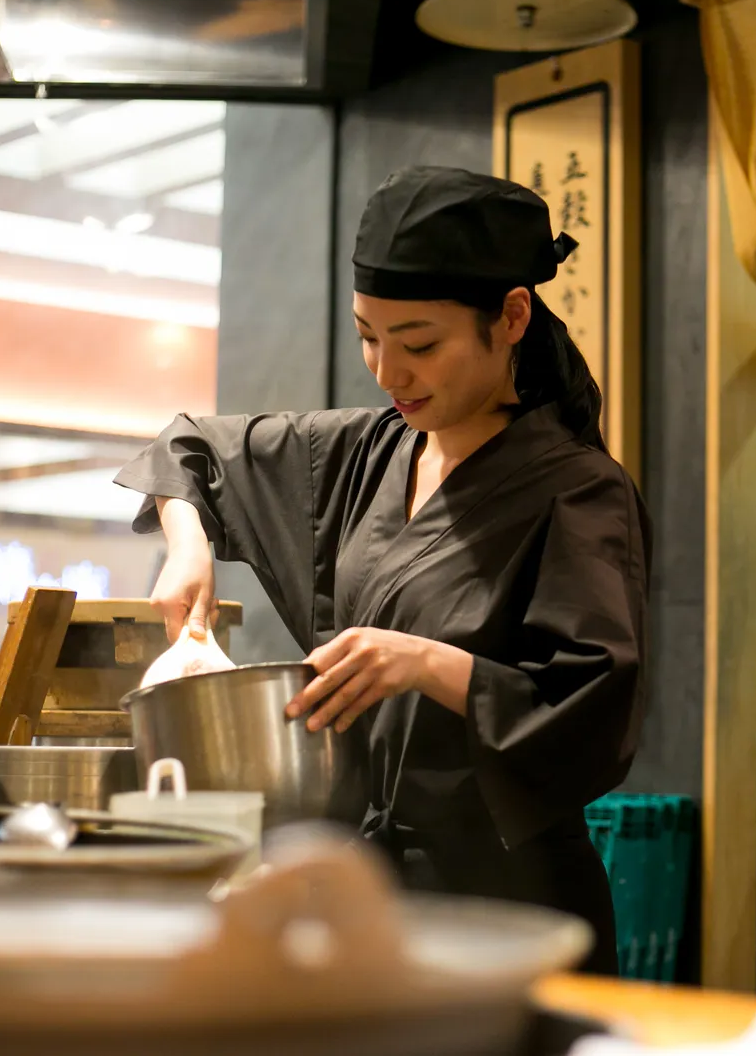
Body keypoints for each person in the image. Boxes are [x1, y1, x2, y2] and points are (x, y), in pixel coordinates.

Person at [114, 165, 651, 974]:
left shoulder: (579, 490)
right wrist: (187, 545)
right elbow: (189, 447)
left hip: (508, 910)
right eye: (368, 335)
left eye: (420, 344)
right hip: (366, 903)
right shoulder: (366, 450)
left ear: (511, 317)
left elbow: (592, 706)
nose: (387, 372)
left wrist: (422, 661)